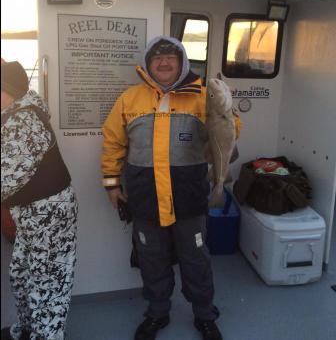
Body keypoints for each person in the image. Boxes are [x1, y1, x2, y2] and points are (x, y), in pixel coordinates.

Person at [102, 36, 239, 340]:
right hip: (145, 196)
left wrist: (226, 113)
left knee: (196, 260)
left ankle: (205, 315)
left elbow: (230, 132)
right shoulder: (129, 98)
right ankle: (157, 313)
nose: (164, 63)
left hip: (189, 196)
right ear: (148, 64)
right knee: (152, 259)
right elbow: (113, 142)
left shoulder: (204, 95)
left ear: (182, 63)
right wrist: (112, 184)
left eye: (171, 58)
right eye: (158, 58)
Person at [1, 61, 78, 340]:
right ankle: (27, 329)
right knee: (21, 275)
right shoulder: (10, 113)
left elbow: (5, 180)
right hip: (28, 214)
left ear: (9, 91)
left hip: (50, 214)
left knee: (49, 285)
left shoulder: (24, 121)